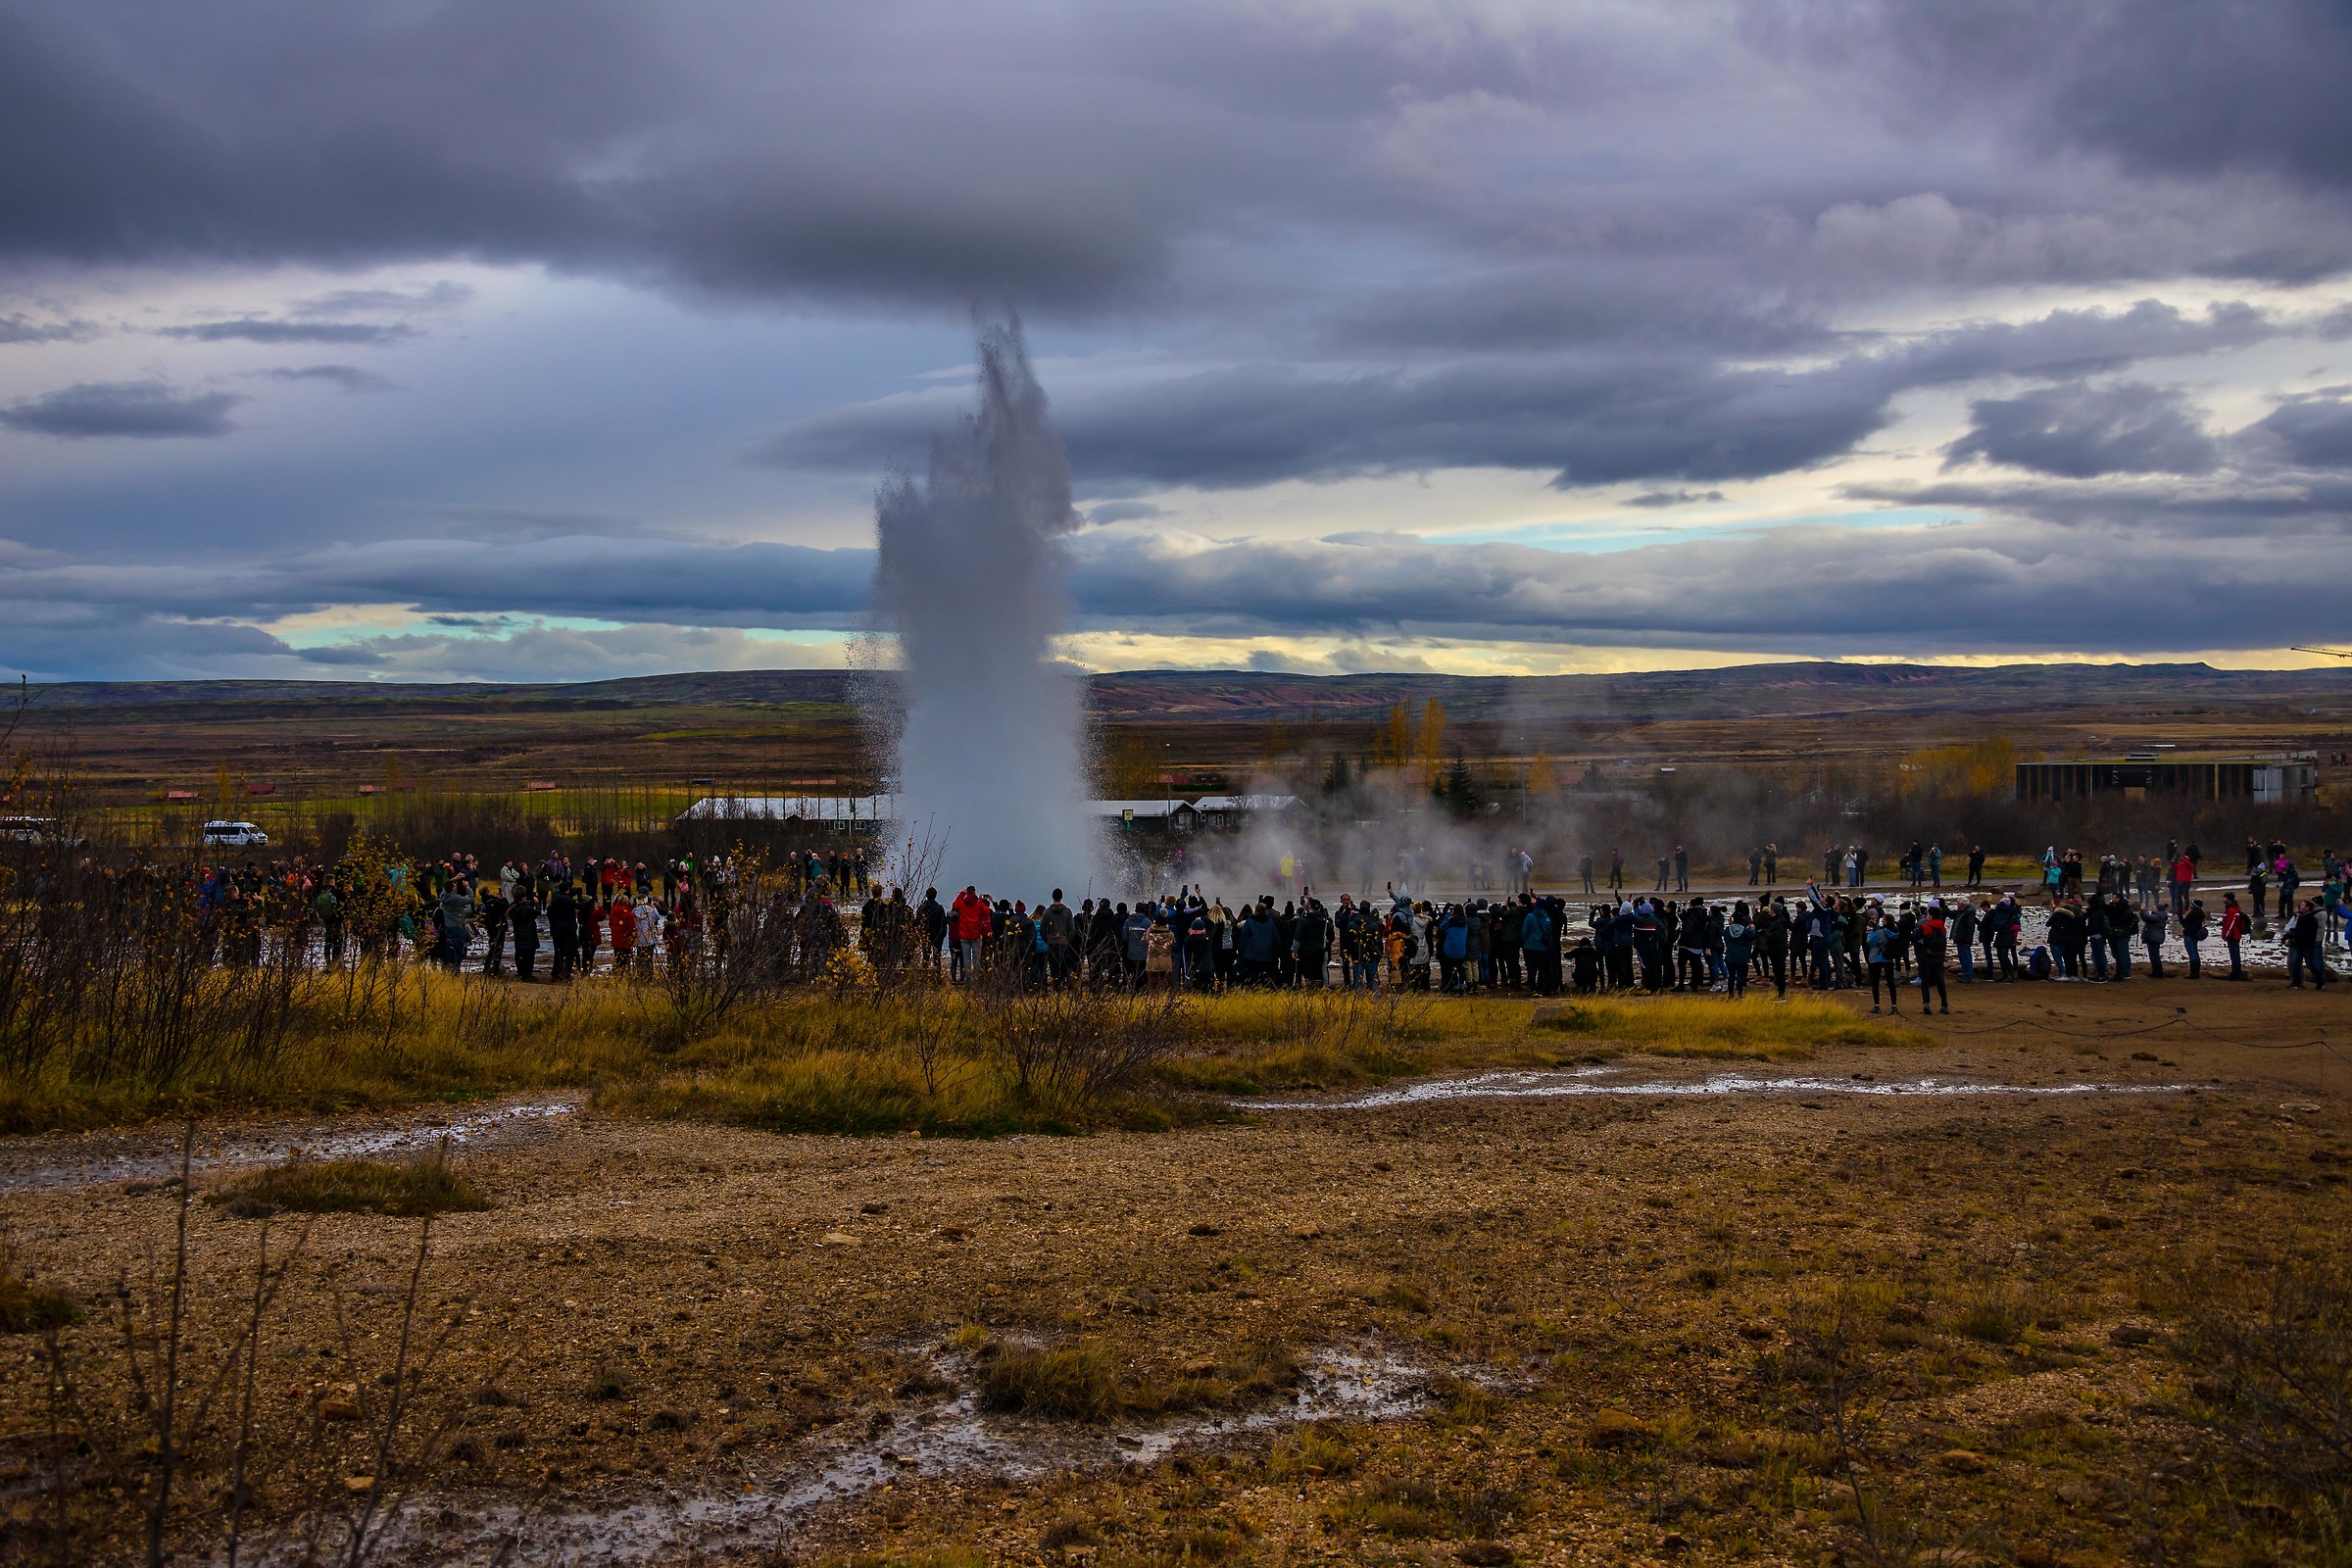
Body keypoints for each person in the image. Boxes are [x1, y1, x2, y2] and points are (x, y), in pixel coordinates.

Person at [2287, 898, 2328, 989]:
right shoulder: (2303, 917)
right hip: (2300, 943)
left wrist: (2290, 934)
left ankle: (2320, 981)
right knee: (2295, 963)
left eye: (2302, 905)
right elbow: (2299, 930)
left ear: (2307, 908)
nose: (2300, 907)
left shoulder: (2311, 918)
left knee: (2310, 964)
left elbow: (2305, 933)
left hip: (2307, 944)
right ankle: (2297, 983)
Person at [1916, 903, 1949, 1013]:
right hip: (1939, 957)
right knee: (1940, 981)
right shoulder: (1943, 928)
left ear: (1930, 916)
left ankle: (1926, 1004)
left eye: (1928, 914)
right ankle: (1944, 1005)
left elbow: (1913, 937)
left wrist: (1921, 942)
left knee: (1925, 981)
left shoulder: (1926, 927)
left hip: (1927, 956)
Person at [510, 884, 541, 981]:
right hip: (529, 933)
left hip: (518, 933)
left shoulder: (513, 908)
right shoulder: (527, 909)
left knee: (519, 953)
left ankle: (520, 972)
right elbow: (537, 912)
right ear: (523, 897)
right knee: (529, 955)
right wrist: (536, 903)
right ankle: (527, 974)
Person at [2220, 891, 2250, 980]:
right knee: (2235, 955)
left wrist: (2226, 935)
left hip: (2233, 935)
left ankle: (2235, 974)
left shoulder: (2231, 910)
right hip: (2234, 935)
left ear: (2228, 899)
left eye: (2224, 897)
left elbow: (2231, 924)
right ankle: (2236, 973)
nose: (2223, 899)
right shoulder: (2233, 908)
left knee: (2234, 955)